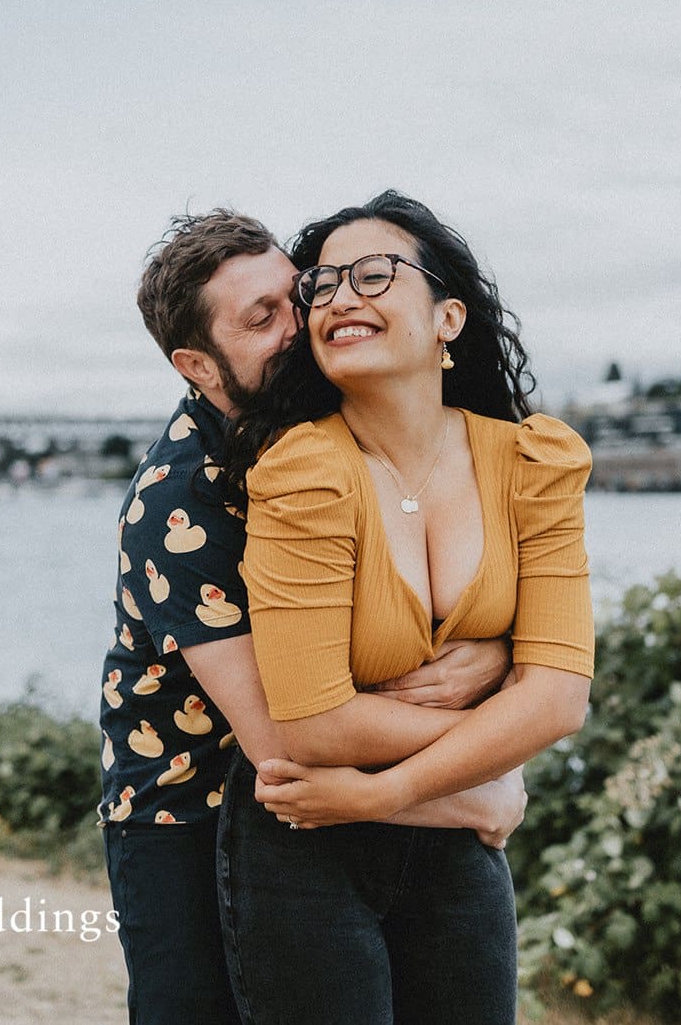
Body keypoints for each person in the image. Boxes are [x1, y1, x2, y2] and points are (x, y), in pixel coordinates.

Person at [99, 210, 524, 1025]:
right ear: (198, 365)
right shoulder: (177, 503)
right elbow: (287, 742)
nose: (302, 324)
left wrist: (496, 655)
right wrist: (481, 781)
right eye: (261, 319)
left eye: (297, 295)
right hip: (187, 814)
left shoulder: (330, 432)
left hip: (339, 807)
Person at [217, 191, 596, 1025]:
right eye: (322, 285)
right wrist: (493, 745)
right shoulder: (299, 471)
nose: (339, 297)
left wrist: (388, 791)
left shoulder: (534, 463)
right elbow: (314, 724)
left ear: (447, 317)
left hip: (456, 845)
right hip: (306, 843)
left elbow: (561, 699)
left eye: (374, 274)